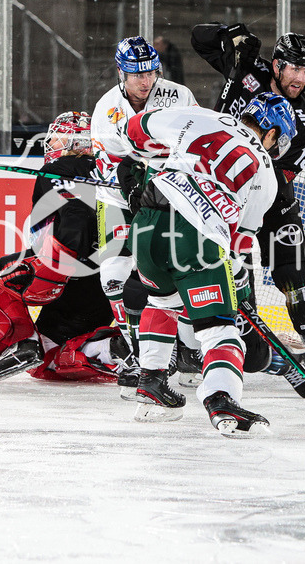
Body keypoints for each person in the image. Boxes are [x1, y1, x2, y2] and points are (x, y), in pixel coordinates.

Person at [121, 97, 297, 436]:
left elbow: (135, 129)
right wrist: (238, 282)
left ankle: (152, 383)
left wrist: (155, 160)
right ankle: (222, 399)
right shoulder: (267, 173)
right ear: (272, 133)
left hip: (145, 225)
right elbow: (240, 243)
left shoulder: (203, 117)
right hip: (196, 237)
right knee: (219, 328)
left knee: (161, 302)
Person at [190, 23, 305, 359]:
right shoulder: (249, 67)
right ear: (278, 64)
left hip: (270, 196)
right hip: (219, 191)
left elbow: (281, 178)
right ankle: (235, 347)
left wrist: (249, 184)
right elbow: (198, 38)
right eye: (295, 68)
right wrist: (230, 34)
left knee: (294, 270)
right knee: (234, 275)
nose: (300, 78)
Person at [0, 111, 123, 383]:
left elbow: (78, 220)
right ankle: (118, 347)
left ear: (77, 143)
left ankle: (21, 338)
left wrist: (57, 267)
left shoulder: (59, 169)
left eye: (61, 137)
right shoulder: (114, 169)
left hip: (75, 273)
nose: (54, 143)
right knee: (51, 351)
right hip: (113, 279)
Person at [90, 36, 198, 394]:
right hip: (119, 198)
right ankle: (139, 353)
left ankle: (186, 351)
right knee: (113, 276)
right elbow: (115, 164)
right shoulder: (107, 109)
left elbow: (196, 142)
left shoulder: (178, 96)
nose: (145, 80)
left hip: (167, 198)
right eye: (136, 73)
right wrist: (133, 181)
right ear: (122, 72)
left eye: (150, 71)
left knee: (171, 275)